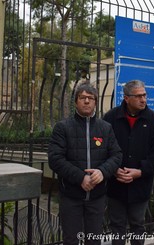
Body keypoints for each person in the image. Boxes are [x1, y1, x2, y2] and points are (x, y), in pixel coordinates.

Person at [48, 82, 122, 245]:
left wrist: (102, 172)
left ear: (95, 102)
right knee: (71, 240)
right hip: (71, 196)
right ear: (76, 101)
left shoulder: (105, 128)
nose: (87, 101)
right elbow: (55, 158)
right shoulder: (62, 128)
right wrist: (81, 178)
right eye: (82, 98)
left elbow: (116, 155)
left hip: (97, 196)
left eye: (91, 98)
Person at [103, 80, 154, 245]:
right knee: (117, 226)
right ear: (126, 98)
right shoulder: (110, 118)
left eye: (144, 95)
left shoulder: (153, 120)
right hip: (115, 184)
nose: (143, 99)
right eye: (138, 96)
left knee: (138, 225)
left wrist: (141, 171)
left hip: (140, 185)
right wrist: (114, 169)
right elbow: (103, 149)